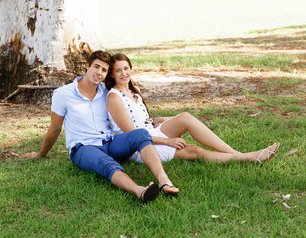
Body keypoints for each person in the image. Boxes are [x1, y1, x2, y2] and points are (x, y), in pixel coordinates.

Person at [21, 50, 179, 203]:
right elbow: (54, 129)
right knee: (107, 164)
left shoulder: (106, 91)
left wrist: (152, 120)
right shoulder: (62, 94)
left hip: (109, 142)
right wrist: (41, 153)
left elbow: (128, 98)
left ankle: (164, 181)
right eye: (96, 67)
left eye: (104, 70)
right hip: (84, 147)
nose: (99, 72)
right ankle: (140, 191)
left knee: (140, 134)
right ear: (87, 66)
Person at [105, 53, 280, 164]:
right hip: (141, 147)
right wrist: (168, 141)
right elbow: (135, 135)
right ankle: (248, 157)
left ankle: (236, 153)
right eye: (118, 70)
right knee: (193, 151)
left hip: (152, 132)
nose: (124, 73)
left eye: (126, 68)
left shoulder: (132, 90)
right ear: (112, 74)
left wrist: (155, 120)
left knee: (185, 117)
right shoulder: (114, 97)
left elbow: (140, 120)